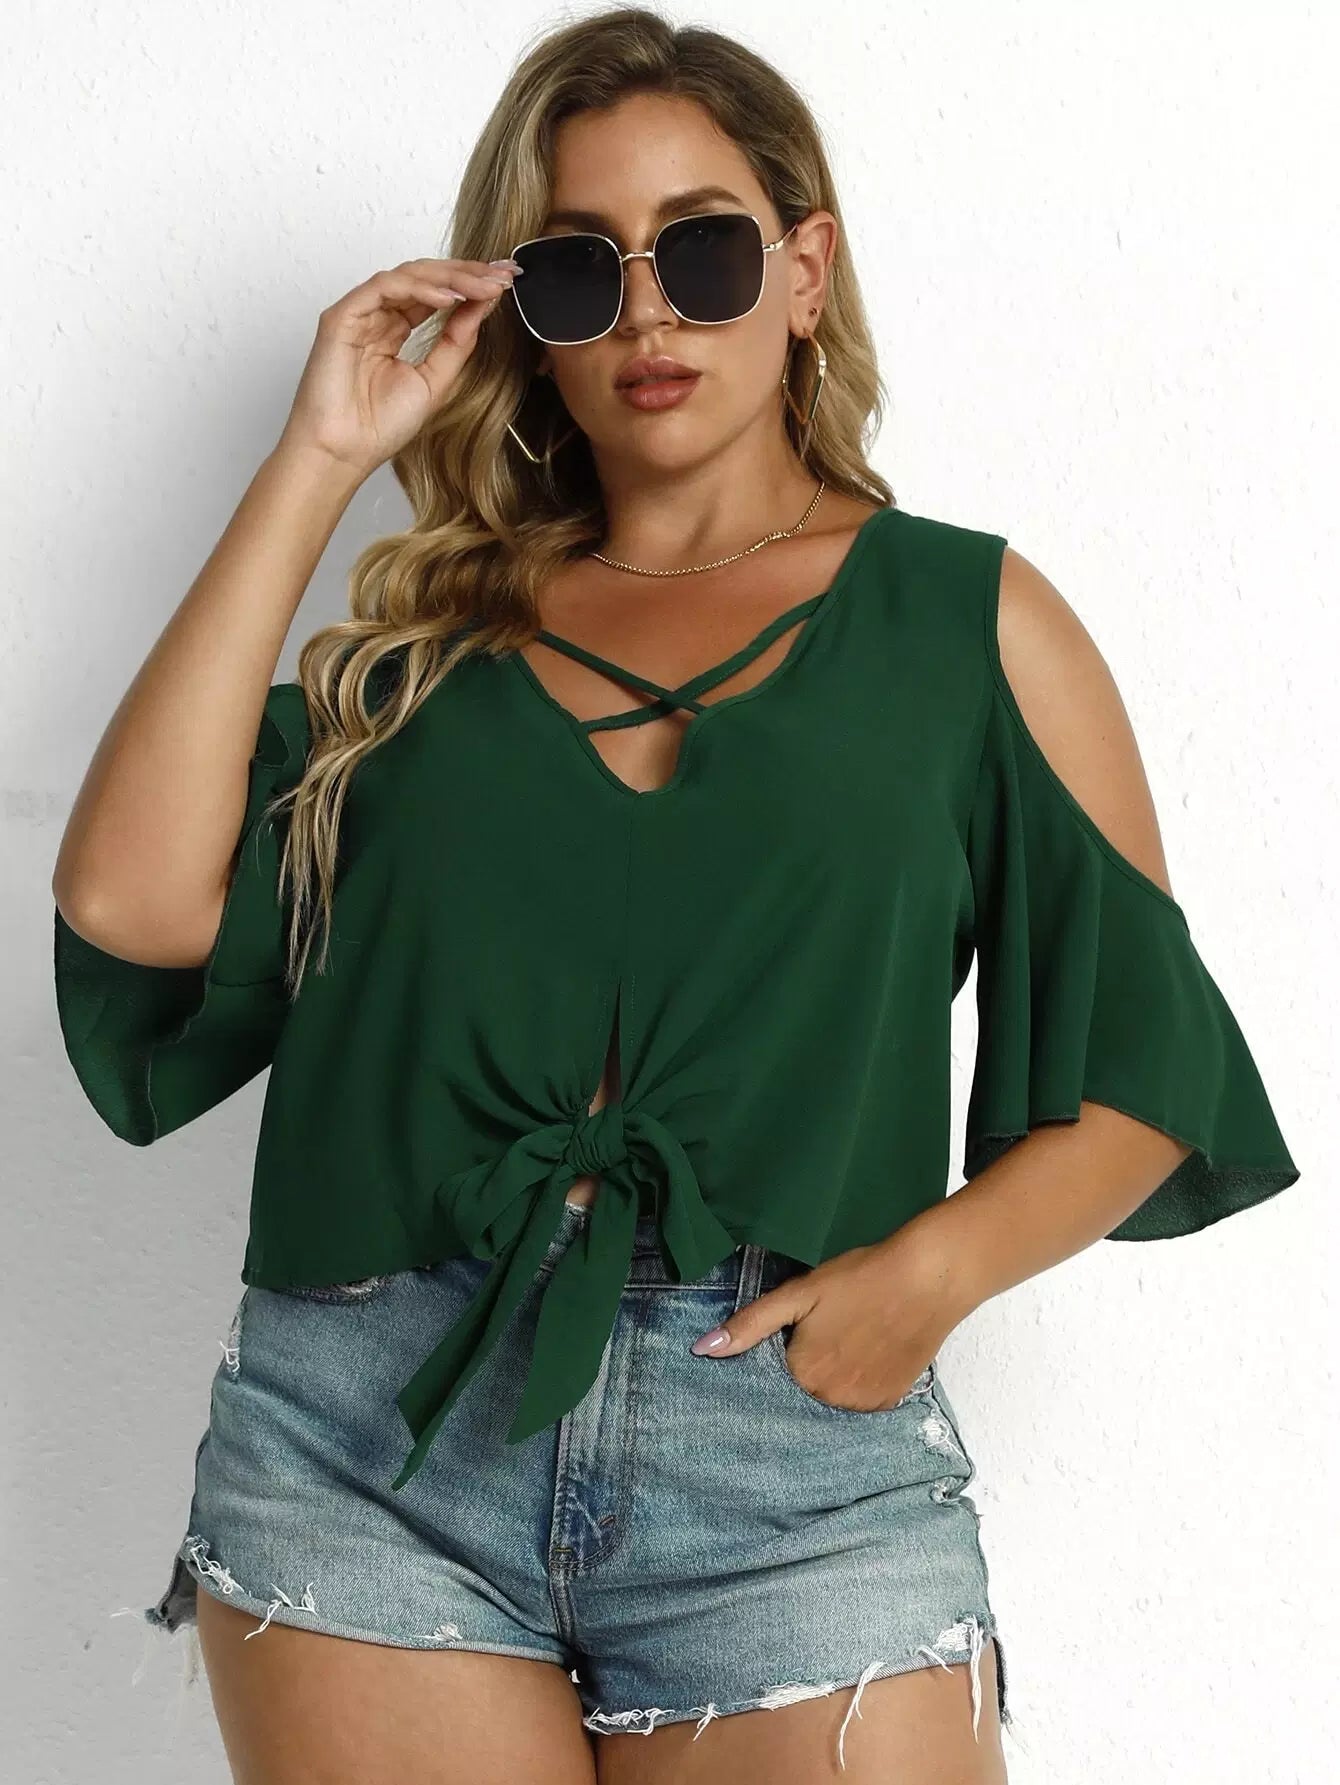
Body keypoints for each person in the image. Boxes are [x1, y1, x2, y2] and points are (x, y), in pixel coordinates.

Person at [51, 9, 1298, 1783]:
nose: (648, 313)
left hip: (786, 1461)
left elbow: (1145, 1064)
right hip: (369, 1442)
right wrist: (318, 454)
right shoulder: (422, 655)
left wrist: (928, 1275)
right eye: (580, 269)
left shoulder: (971, 626)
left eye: (701, 251)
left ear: (804, 271)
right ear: (524, 319)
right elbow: (130, 898)